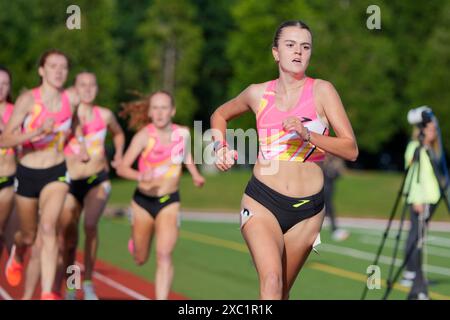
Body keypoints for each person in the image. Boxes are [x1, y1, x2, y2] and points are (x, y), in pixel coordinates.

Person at [210, 20, 358, 299]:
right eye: (290, 45)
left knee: (283, 291)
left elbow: (350, 149)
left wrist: (308, 135)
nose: (298, 52)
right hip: (262, 200)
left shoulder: (322, 91)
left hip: (308, 211)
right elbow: (219, 115)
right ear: (276, 52)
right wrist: (220, 147)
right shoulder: (257, 93)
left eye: (305, 46)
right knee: (272, 280)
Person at [21, 72, 126, 300]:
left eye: (92, 85)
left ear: (97, 88)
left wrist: (118, 154)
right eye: (82, 85)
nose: (87, 89)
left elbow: (118, 134)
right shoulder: (66, 115)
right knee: (67, 239)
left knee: (90, 226)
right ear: (74, 89)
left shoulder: (105, 115)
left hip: (96, 180)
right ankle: (70, 284)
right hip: (69, 181)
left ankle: (87, 283)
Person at [0, 49, 87, 300]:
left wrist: (77, 145)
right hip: (28, 172)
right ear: (41, 70)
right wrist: (35, 133)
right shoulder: (29, 100)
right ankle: (17, 254)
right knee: (27, 235)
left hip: (57, 171)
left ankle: (48, 292)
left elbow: (74, 127)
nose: (59, 72)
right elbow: (5, 139)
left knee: (48, 227)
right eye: (52, 66)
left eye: (63, 67)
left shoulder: (72, 98)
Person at [117, 90, 205, 300]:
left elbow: (185, 154)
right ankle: (136, 244)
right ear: (149, 111)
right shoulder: (143, 136)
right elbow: (121, 168)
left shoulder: (182, 133)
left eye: (164, 107)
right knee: (140, 257)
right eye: (155, 107)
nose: (159, 112)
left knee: (164, 255)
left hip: (169, 201)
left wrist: (194, 174)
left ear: (172, 111)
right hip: (143, 202)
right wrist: (140, 175)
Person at [400, 116, 445, 300]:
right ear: (422, 130)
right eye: (431, 129)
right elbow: (413, 174)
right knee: (415, 236)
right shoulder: (415, 147)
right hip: (420, 199)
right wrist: (417, 198)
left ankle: (415, 275)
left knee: (419, 235)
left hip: (431, 198)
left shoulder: (431, 149)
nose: (434, 133)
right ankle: (413, 275)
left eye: (435, 129)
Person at [0, 65, 16, 257]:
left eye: (5, 84)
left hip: (8, 179)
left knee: (4, 234)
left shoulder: (16, 111)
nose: (1, 88)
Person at [322, 154, 350, 241]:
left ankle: (334, 228)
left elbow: (340, 173)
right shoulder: (322, 160)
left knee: (329, 207)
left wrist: (334, 171)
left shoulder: (335, 162)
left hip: (329, 187)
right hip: (320, 187)